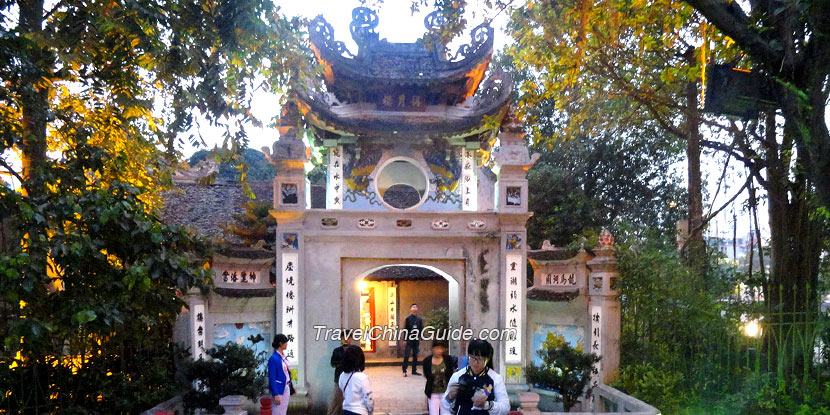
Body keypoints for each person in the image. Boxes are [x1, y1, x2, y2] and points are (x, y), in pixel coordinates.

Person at [442, 339, 509, 415]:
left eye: (480, 359)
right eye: (472, 358)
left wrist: (487, 405)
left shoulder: (495, 378)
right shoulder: (457, 376)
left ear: (487, 360)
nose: (475, 363)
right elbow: (445, 405)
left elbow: (505, 407)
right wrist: (450, 397)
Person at [423, 340, 457, 415]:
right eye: (437, 348)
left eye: (441, 348)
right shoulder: (427, 361)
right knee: (433, 413)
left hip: (445, 392)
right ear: (433, 349)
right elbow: (427, 375)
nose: (439, 351)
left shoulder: (447, 360)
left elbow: (451, 374)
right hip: (433, 393)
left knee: (446, 413)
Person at [339, 344, 374, 415]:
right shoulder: (362, 378)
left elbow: (343, 392)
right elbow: (369, 399)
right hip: (360, 411)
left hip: (346, 411)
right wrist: (370, 411)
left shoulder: (342, 375)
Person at [328, 330, 354, 415]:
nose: (346, 340)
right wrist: (342, 364)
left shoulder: (355, 350)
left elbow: (359, 363)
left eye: (348, 337)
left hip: (351, 379)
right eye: (344, 338)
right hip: (339, 378)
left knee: (351, 399)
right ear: (341, 339)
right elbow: (332, 363)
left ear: (351, 339)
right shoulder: (337, 351)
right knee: (336, 399)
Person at [269, 334, 294, 415]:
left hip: (286, 387)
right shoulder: (273, 358)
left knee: (283, 411)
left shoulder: (283, 357)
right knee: (277, 412)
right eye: (285, 342)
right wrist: (275, 393)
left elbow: (287, 373)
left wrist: (291, 386)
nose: (287, 344)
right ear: (280, 343)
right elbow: (272, 377)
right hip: (279, 388)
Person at [402, 303, 423, 377]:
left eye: (416, 307)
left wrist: (420, 337)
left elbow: (421, 329)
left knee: (415, 355)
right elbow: (405, 329)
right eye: (413, 307)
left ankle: (414, 370)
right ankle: (404, 370)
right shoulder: (407, 318)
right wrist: (405, 339)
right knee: (407, 355)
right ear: (411, 309)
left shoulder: (419, 319)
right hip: (409, 339)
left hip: (416, 339)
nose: (414, 308)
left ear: (417, 309)